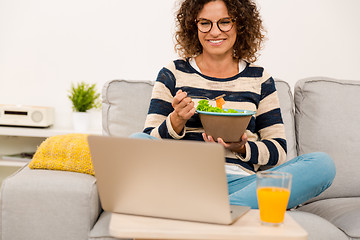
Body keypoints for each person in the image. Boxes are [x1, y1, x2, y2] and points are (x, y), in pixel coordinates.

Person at [136, 0, 336, 209]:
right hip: (184, 178)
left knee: (322, 165)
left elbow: (277, 150)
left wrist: (242, 147)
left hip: (242, 184)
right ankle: (228, 210)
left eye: (225, 22)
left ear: (240, 24)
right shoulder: (173, 73)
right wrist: (176, 120)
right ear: (193, 26)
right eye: (205, 23)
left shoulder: (259, 78)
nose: (214, 32)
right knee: (136, 142)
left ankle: (208, 210)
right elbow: (148, 141)